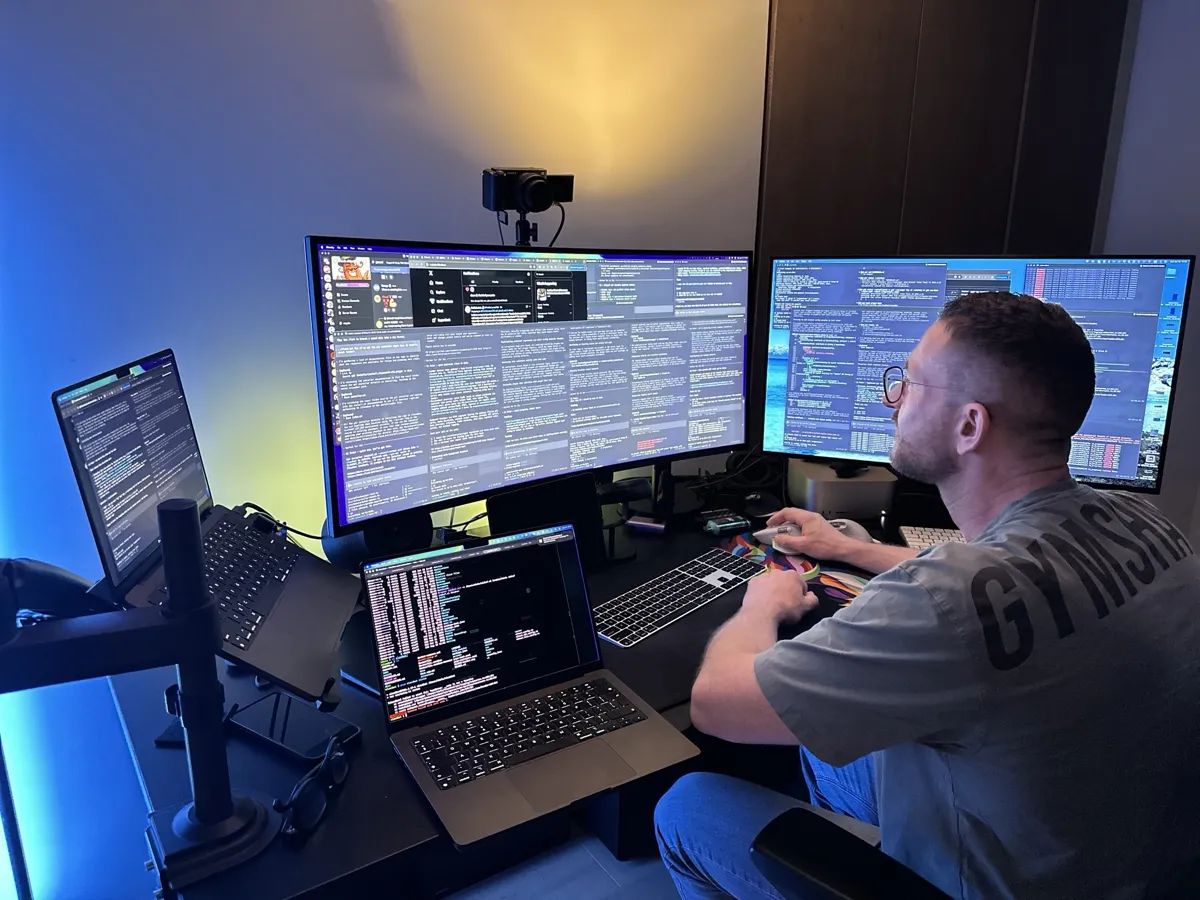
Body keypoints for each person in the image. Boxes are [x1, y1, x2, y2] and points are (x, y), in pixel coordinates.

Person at [654, 292, 1200, 900]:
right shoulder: (1145, 523)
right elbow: (1029, 574)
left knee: (685, 806)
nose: (892, 400)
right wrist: (855, 550)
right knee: (824, 745)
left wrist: (762, 607)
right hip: (1123, 857)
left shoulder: (942, 601)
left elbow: (715, 705)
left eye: (909, 383)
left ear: (970, 426)